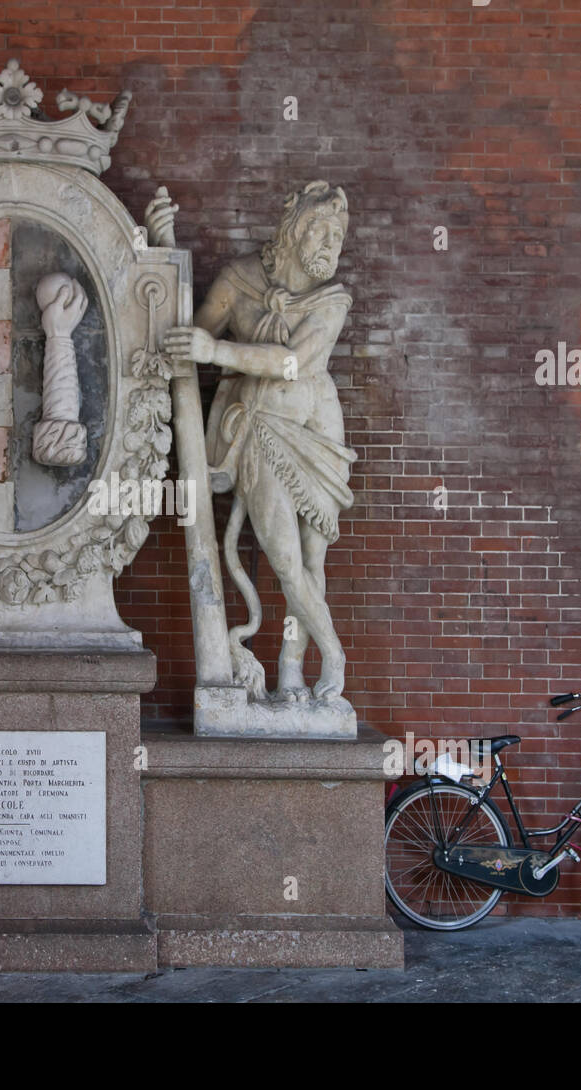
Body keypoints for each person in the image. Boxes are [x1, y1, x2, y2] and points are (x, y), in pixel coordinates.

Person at [162, 180, 354, 701]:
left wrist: (215, 350)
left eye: (338, 236)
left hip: (319, 427)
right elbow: (185, 343)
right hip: (260, 425)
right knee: (285, 559)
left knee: (313, 560)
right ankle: (334, 652)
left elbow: (292, 363)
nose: (331, 246)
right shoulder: (237, 282)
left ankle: (293, 671)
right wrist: (160, 249)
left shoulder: (333, 302)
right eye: (323, 233)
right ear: (293, 233)